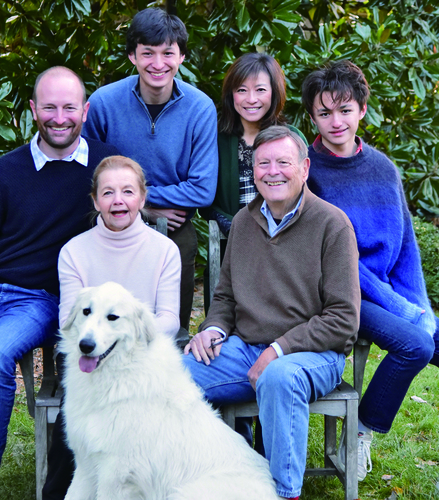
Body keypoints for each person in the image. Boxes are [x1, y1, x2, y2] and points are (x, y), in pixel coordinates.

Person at [0, 66, 119, 500]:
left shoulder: (103, 167)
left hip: (38, 299)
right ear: (34, 110)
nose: (59, 118)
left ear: (85, 111)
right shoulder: (7, 169)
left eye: (69, 108)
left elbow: (128, 205)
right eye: (49, 108)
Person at [184, 125, 360, 500]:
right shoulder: (244, 221)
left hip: (313, 355)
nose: (272, 171)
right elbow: (225, 296)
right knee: (175, 374)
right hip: (246, 349)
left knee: (279, 377)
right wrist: (213, 329)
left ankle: (283, 493)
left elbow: (343, 319)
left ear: (304, 168)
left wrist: (278, 349)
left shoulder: (332, 225)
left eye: (283, 162)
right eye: (263, 163)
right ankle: (215, 475)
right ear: (253, 171)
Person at [302, 59, 439, 482]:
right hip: (338, 292)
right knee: (415, 346)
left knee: (429, 334)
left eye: (345, 110)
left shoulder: (383, 169)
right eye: (324, 112)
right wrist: (399, 308)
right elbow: (332, 257)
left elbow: (406, 248)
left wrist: (417, 305)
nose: (336, 122)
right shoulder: (306, 171)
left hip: (384, 290)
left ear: (362, 109)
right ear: (312, 117)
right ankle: (359, 432)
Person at [42, 155, 181, 500]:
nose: (118, 201)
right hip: (87, 361)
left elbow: (170, 318)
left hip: (141, 359)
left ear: (142, 198)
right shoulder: (74, 251)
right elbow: (68, 317)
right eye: (108, 193)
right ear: (95, 201)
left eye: (128, 191)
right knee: (78, 440)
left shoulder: (165, 250)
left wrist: (129, 333)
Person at [82, 7, 218, 333]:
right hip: (112, 217)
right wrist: (143, 206)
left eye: (168, 53)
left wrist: (146, 202)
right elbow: (87, 175)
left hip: (174, 223)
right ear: (132, 56)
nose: (158, 64)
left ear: (182, 57)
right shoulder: (104, 103)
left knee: (183, 248)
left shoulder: (200, 108)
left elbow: (202, 189)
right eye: (148, 53)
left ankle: (174, 339)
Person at [205, 52, 306, 237]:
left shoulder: (292, 138)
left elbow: (305, 195)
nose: (251, 99)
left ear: (274, 91)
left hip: (285, 241)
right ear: (231, 94)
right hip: (232, 242)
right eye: (241, 90)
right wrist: (234, 225)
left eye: (260, 90)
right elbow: (206, 198)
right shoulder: (214, 139)